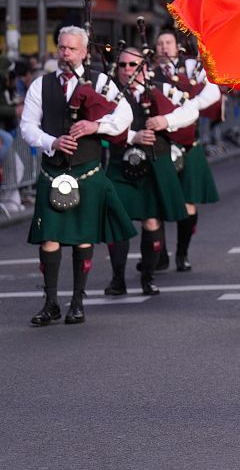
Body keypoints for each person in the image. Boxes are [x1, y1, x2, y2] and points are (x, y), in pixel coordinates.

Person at [21, 26, 135, 326]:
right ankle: (50, 303)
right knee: (49, 238)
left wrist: (95, 127)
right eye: (62, 48)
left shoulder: (100, 82)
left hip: (87, 170)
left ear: (84, 52)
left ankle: (77, 302)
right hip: (53, 171)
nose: (65, 53)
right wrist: (51, 141)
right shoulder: (41, 85)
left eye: (72, 49)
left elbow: (124, 116)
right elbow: (27, 126)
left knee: (84, 239)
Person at [104, 47, 197, 296]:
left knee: (152, 220)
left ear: (144, 67)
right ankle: (117, 279)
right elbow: (100, 125)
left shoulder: (161, 89)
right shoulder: (109, 92)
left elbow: (191, 110)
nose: (126, 70)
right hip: (120, 162)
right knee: (117, 220)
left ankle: (148, 276)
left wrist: (166, 121)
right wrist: (133, 136)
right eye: (122, 65)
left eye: (132, 65)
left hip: (153, 162)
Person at [151, 29, 221, 271]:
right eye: (160, 43)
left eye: (168, 42)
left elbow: (212, 91)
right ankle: (158, 254)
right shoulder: (149, 72)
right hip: (160, 142)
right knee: (157, 201)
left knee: (189, 201)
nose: (164, 47)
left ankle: (182, 252)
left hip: (188, 142)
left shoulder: (192, 67)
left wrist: (188, 108)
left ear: (177, 44)